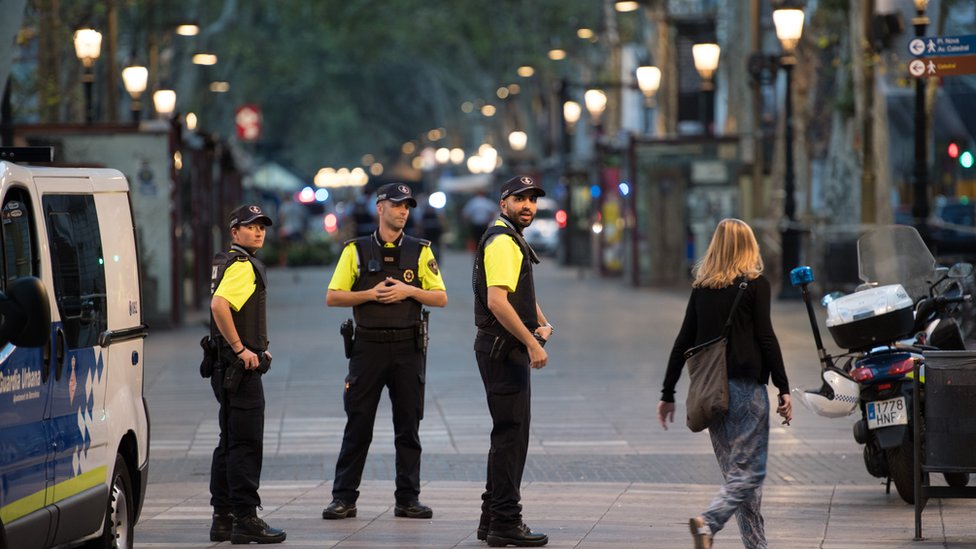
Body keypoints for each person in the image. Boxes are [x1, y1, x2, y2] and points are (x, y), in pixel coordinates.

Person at [656, 218, 792, 549]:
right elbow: (766, 338)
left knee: (739, 479)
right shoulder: (756, 286)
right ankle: (709, 521)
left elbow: (682, 341)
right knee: (749, 474)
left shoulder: (702, 290)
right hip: (746, 391)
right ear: (748, 247)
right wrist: (783, 386)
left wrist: (668, 392)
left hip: (710, 394)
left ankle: (757, 545)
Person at [323, 182, 448, 521]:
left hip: (408, 346)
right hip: (368, 347)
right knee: (358, 424)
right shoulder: (357, 250)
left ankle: (408, 499)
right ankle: (343, 498)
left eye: (407, 206)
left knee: (408, 425)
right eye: (396, 205)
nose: (403, 211)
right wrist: (370, 295)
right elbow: (333, 296)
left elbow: (440, 297)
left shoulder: (421, 251)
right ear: (380, 208)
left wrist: (409, 289)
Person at [472, 175, 553, 547]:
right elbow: (497, 300)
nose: (528, 206)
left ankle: (493, 520)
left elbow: (515, 291)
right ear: (503, 202)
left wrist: (538, 320)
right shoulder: (503, 241)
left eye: (533, 200)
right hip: (503, 351)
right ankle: (505, 520)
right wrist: (531, 343)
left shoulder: (505, 236)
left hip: (498, 348)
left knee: (507, 435)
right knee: (510, 437)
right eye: (520, 199)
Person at [208, 204, 286, 544]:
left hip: (225, 368)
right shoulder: (242, 266)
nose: (258, 232)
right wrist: (242, 348)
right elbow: (219, 306)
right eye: (251, 226)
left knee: (229, 441)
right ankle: (246, 519)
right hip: (240, 370)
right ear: (234, 231)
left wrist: (254, 346)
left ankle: (223, 518)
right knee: (246, 444)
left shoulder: (227, 262)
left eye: (262, 227)